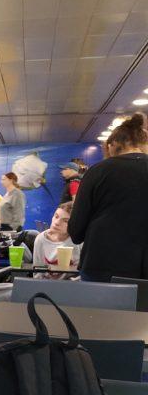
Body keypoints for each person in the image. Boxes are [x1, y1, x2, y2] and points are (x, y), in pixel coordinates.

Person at [69, 112, 148, 282]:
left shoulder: (97, 171)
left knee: (98, 302)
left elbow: (76, 231)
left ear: (113, 144)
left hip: (101, 266)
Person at [32, 202, 80, 269]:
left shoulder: (78, 242)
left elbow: (81, 272)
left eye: (65, 221)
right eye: (56, 216)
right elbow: (37, 271)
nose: (57, 223)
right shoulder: (41, 239)